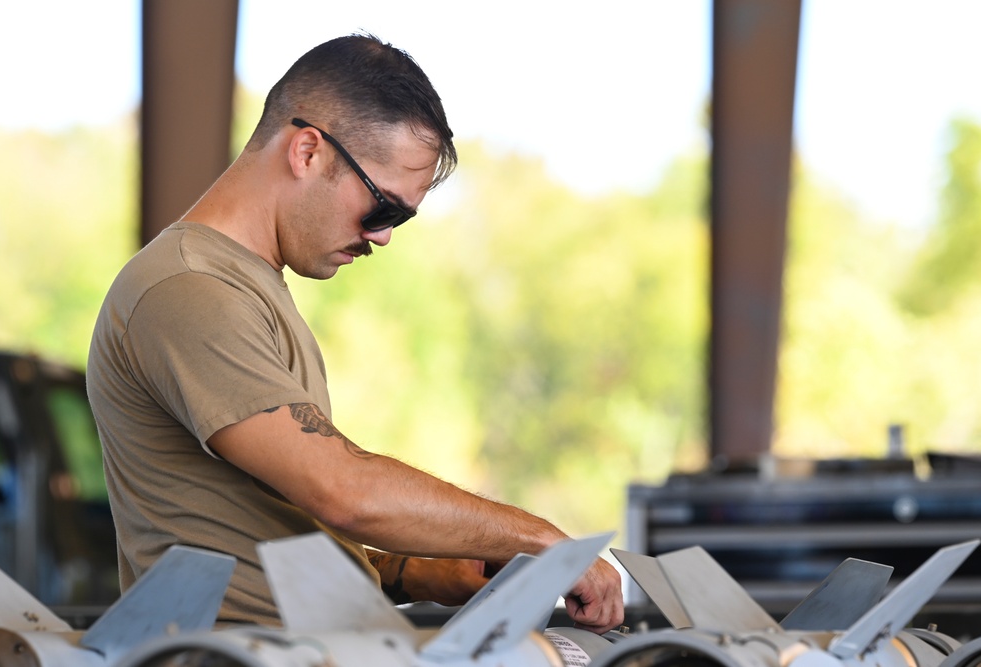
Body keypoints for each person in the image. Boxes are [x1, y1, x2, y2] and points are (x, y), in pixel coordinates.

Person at [86, 33, 623, 633]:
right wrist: (543, 540)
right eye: (382, 206)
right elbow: (341, 490)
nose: (383, 235)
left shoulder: (244, 285)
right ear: (308, 151)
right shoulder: (187, 289)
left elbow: (265, 533)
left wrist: (415, 573)